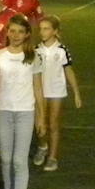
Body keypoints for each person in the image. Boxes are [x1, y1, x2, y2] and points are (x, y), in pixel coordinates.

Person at [0, 15, 43, 189]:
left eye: (20, 31)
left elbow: (38, 88)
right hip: (4, 111)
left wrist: (41, 117)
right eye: (12, 31)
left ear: (27, 34)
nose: (16, 35)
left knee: (20, 161)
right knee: (6, 159)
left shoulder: (33, 57)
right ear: (7, 32)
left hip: (25, 112)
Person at [34, 14, 81, 171]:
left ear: (55, 31)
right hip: (39, 92)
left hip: (56, 91)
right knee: (40, 125)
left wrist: (76, 93)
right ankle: (42, 146)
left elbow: (68, 71)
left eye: (46, 29)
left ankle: (52, 157)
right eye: (41, 29)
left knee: (53, 124)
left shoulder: (61, 50)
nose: (42, 32)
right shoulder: (36, 50)